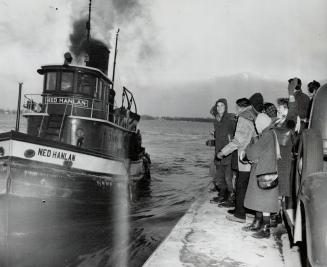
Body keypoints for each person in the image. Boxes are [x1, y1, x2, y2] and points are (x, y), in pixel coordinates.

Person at [217, 97, 257, 223]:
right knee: (245, 184)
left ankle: (240, 214)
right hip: (251, 155)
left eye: (237, 107)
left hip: (244, 157)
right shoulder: (253, 115)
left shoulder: (243, 118)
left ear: (240, 107)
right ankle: (244, 209)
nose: (236, 110)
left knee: (240, 185)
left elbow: (237, 141)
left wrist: (223, 152)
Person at [242, 113, 280, 238]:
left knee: (264, 202)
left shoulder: (266, 135)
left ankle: (265, 229)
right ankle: (257, 223)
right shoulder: (270, 133)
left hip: (264, 172)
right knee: (258, 199)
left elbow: (253, 152)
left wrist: (245, 152)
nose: (255, 126)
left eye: (256, 124)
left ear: (261, 124)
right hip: (263, 170)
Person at [207, 99, 236, 205]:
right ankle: (222, 195)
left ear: (226, 107)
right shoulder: (216, 121)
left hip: (228, 153)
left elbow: (235, 134)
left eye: (222, 106)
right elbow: (220, 135)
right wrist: (214, 137)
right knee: (219, 177)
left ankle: (232, 198)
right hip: (218, 153)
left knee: (229, 177)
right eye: (218, 106)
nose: (219, 108)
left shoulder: (230, 118)